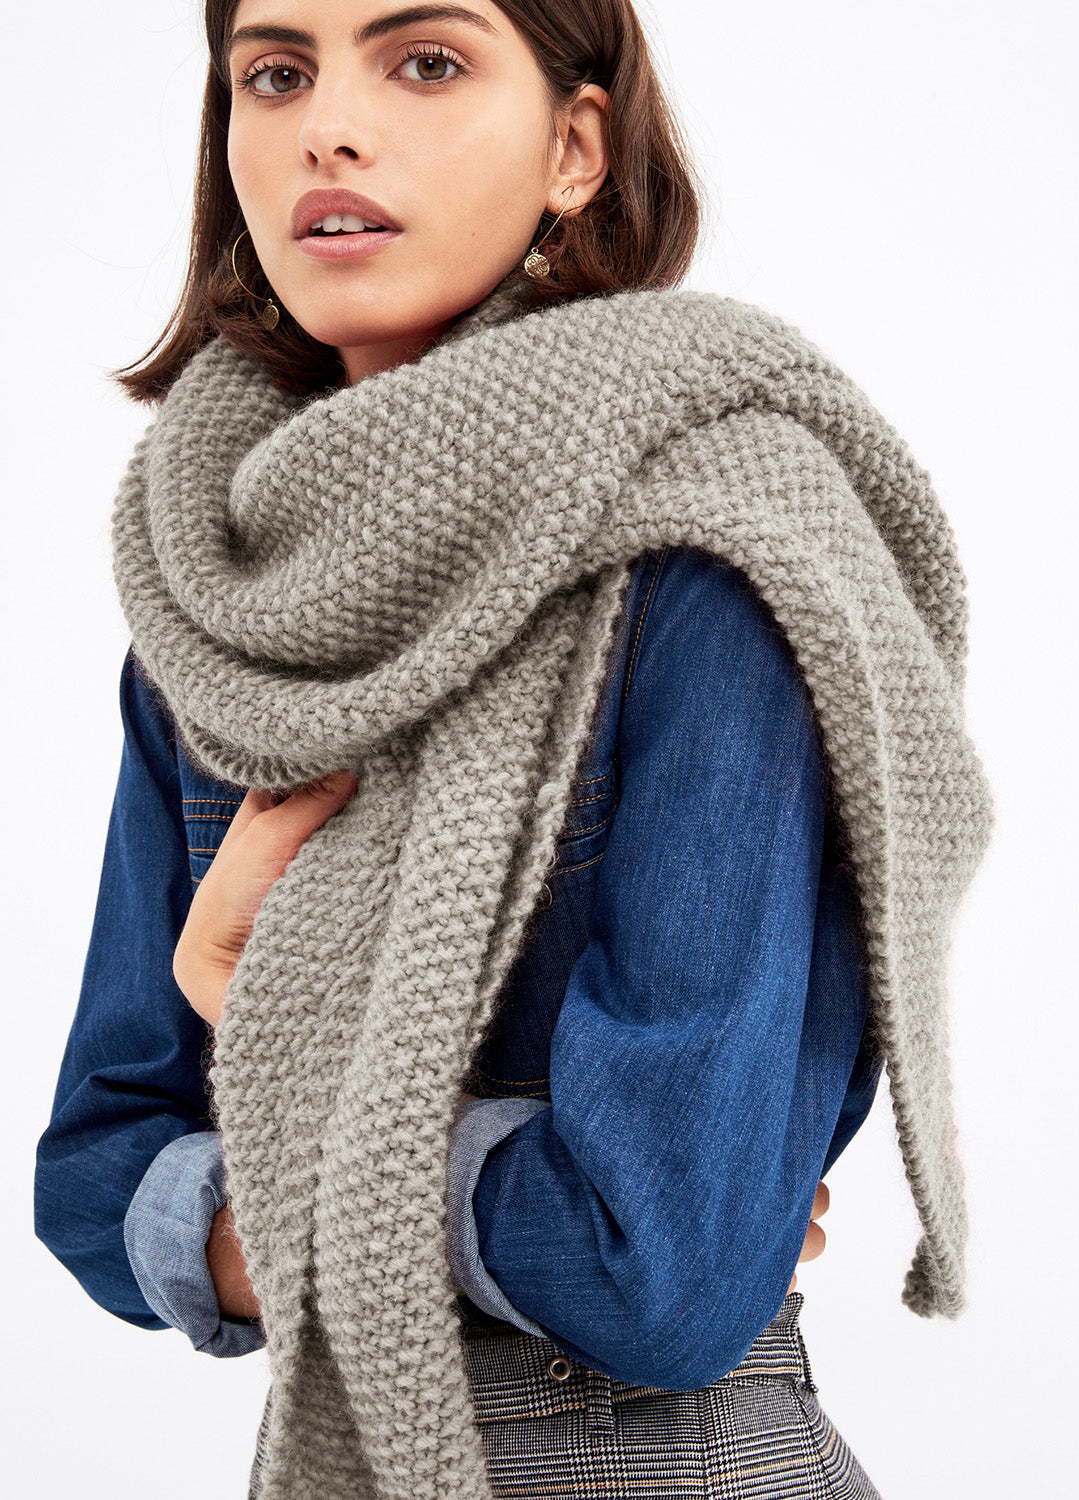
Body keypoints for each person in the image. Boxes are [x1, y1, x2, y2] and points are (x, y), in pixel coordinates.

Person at [35, 2, 993, 1496]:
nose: (326, 128)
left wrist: (259, 1037)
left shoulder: (717, 562)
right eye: (275, 74)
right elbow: (92, 1183)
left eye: (425, 62)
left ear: (575, 146)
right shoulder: (219, 604)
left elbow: (657, 1273)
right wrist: (479, 1186)